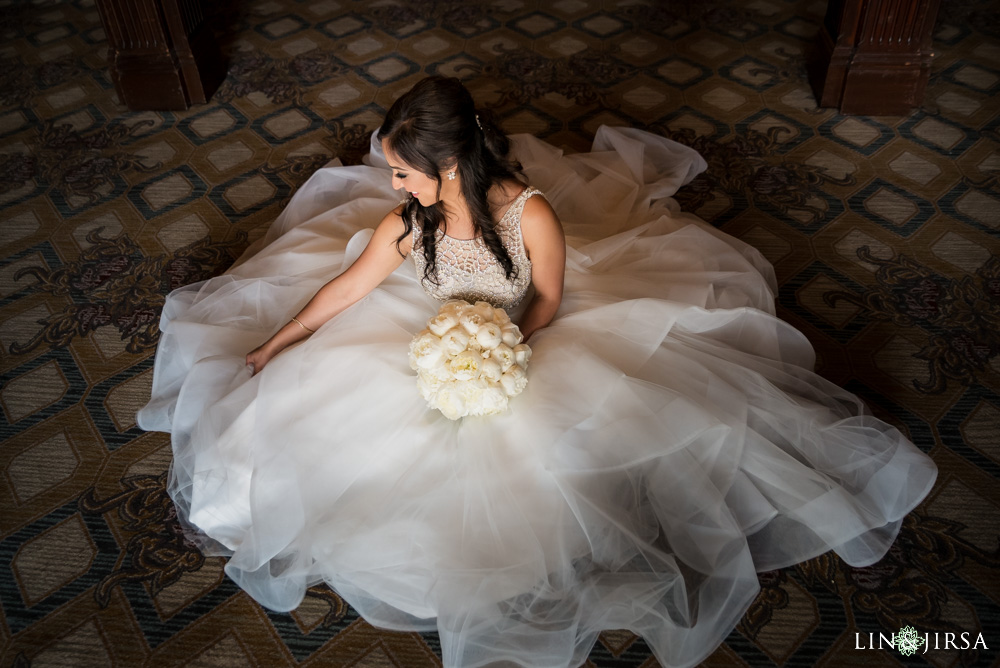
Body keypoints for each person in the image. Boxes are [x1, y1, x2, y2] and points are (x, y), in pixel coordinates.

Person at [138, 76, 937, 668]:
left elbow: (549, 299)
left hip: (524, 334)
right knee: (319, 425)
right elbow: (347, 287)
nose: (395, 187)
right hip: (432, 332)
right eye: (391, 174)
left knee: (566, 460)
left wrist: (500, 351)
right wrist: (279, 343)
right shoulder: (406, 223)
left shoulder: (532, 215)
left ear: (450, 165)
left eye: (405, 173)